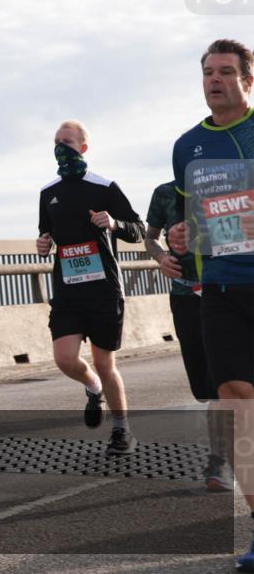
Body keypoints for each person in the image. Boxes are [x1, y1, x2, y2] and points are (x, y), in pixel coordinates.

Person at [167, 38, 254, 572]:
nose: (214, 80)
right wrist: (180, 238)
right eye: (207, 72)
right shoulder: (186, 146)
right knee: (235, 398)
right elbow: (191, 220)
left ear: (249, 77)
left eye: (225, 71)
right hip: (219, 289)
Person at [36, 120, 145, 455]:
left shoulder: (104, 187)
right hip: (68, 292)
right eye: (56, 141)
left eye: (67, 141)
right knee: (65, 359)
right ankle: (92, 386)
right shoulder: (48, 193)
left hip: (103, 291)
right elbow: (46, 234)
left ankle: (122, 431)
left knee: (104, 362)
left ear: (83, 147)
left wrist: (113, 223)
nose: (60, 147)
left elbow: (138, 229)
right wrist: (43, 243)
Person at [144, 181, 231, 491]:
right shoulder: (165, 193)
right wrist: (160, 257)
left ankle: (217, 461)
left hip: (230, 293)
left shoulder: (231, 186)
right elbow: (150, 237)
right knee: (208, 386)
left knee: (228, 381)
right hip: (186, 297)